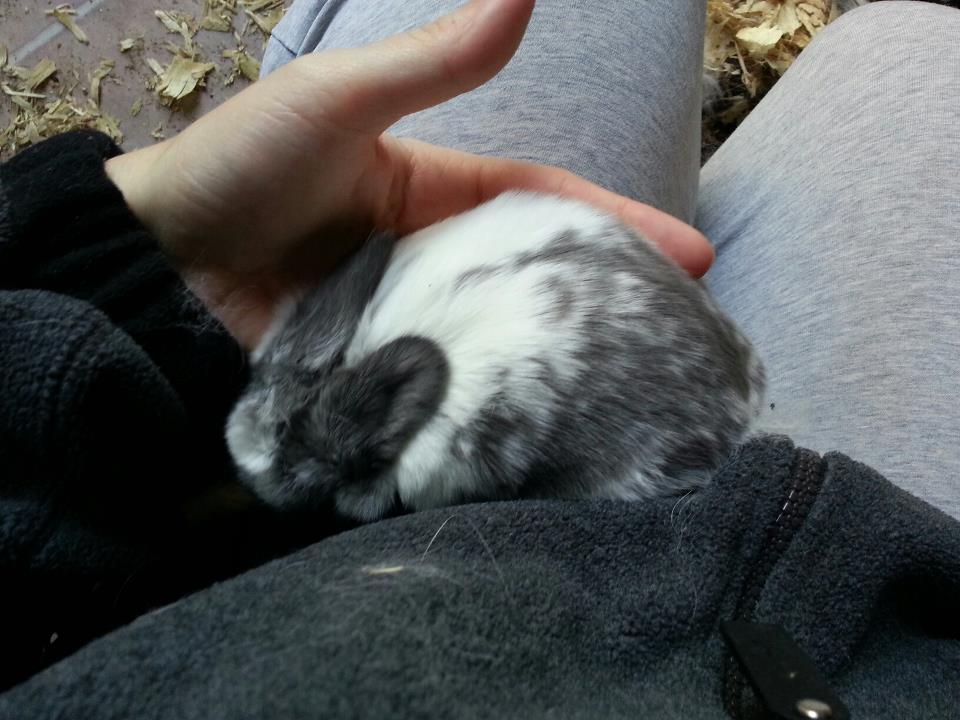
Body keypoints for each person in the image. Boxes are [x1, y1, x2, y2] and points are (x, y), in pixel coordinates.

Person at [0, 1, 958, 717]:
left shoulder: (374, 383)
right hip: (695, 585)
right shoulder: (417, 429)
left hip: (616, 408)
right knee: (914, 57)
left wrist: (134, 241)